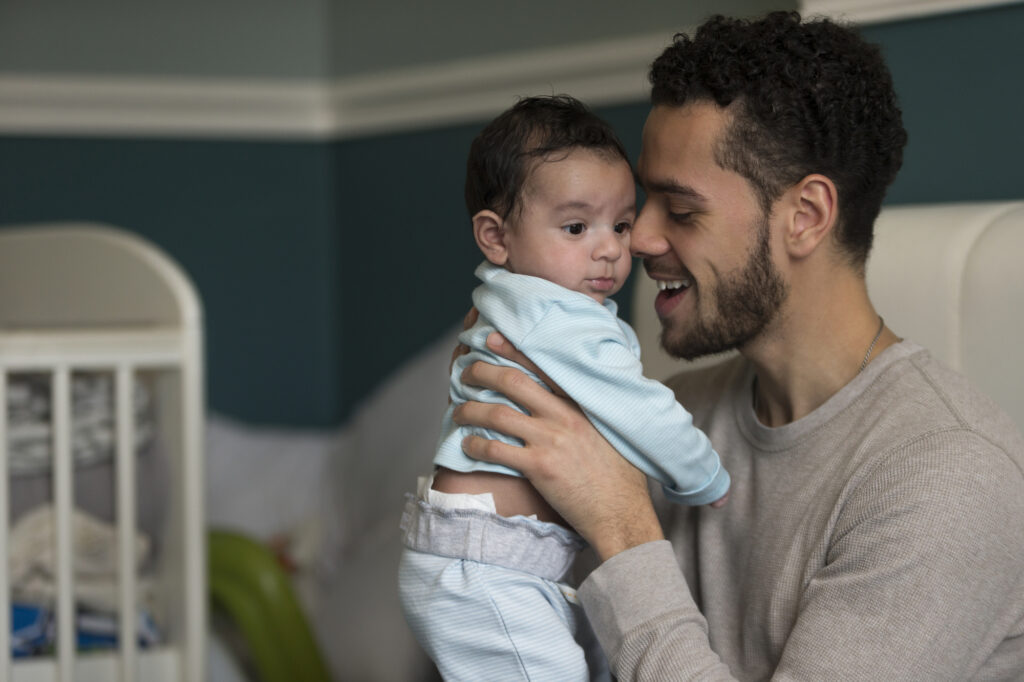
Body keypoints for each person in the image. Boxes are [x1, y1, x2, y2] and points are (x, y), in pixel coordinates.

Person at [452, 12, 1024, 681]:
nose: (636, 240)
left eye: (682, 210)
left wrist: (622, 525)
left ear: (804, 218)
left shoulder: (945, 480)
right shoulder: (671, 412)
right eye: (643, 203)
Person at [399, 95, 730, 681]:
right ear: (496, 238)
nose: (610, 248)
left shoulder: (512, 299)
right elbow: (641, 409)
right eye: (576, 227)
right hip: (490, 567)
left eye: (620, 225)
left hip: (501, 562)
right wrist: (702, 475)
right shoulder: (560, 318)